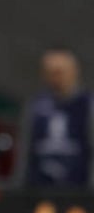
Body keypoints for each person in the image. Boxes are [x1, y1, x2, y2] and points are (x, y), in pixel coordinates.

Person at [16, 48, 94, 188]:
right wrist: (20, 184)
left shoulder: (87, 105)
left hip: (78, 191)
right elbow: (25, 151)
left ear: (74, 72)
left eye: (59, 72)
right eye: (50, 72)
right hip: (40, 190)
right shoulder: (36, 106)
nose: (56, 77)